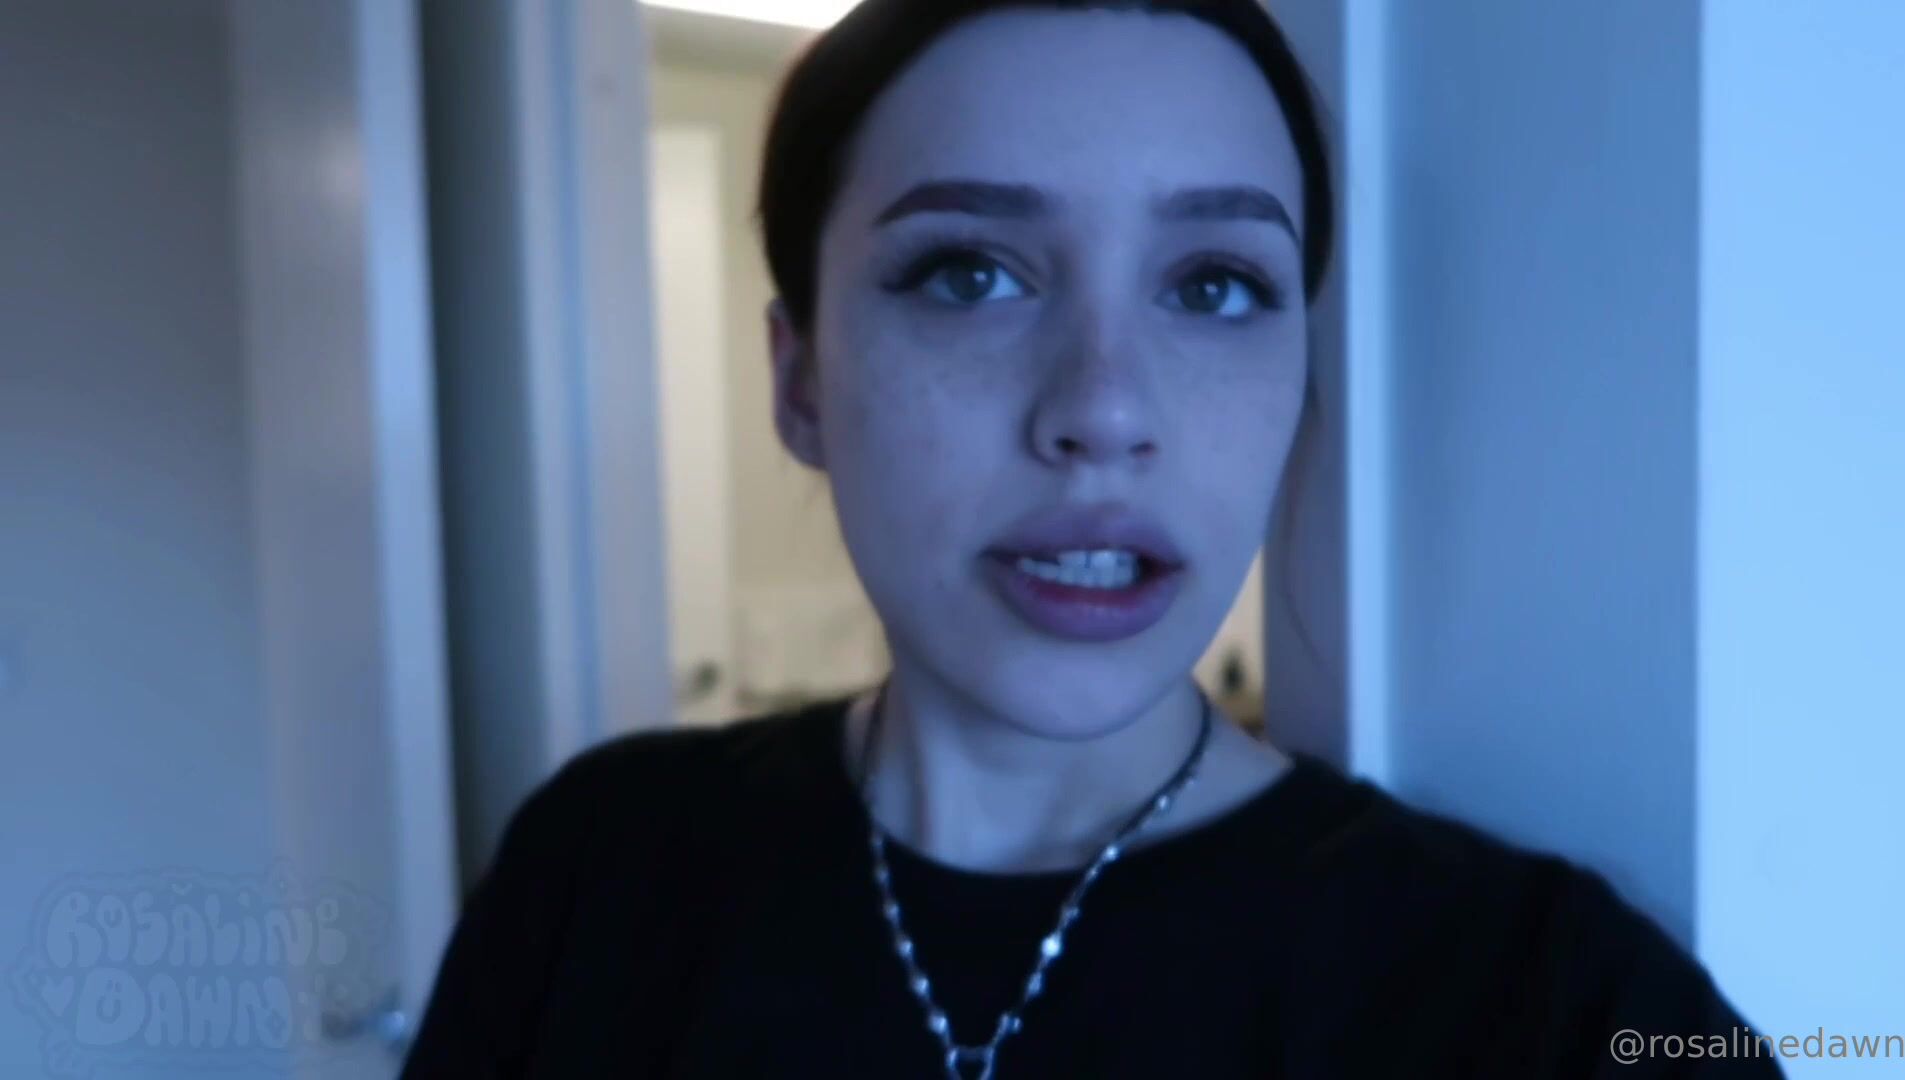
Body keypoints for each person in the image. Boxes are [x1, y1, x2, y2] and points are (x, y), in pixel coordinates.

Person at [401, 1, 1779, 1076]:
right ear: (801, 381)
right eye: (969, 273)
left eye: (1215, 286)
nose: (1103, 409)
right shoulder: (602, 869)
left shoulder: (1544, 1004)